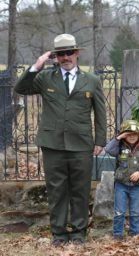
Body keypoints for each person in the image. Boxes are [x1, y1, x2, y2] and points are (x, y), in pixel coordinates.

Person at [14, 33, 107, 246]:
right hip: (52, 143)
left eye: (69, 53)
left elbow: (100, 112)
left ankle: (78, 232)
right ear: (55, 56)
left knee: (80, 189)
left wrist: (100, 141)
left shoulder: (91, 80)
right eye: (60, 54)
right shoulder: (46, 77)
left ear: (76, 54)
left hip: (81, 144)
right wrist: (37, 65)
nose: (65, 57)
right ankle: (58, 233)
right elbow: (20, 88)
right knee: (56, 190)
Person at [105, 120, 139, 240]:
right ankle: (117, 234)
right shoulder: (119, 147)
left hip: (136, 186)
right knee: (119, 211)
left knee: (135, 212)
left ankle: (134, 234)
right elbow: (108, 149)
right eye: (129, 134)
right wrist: (118, 138)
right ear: (125, 135)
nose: (132, 137)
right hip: (121, 185)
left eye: (135, 134)